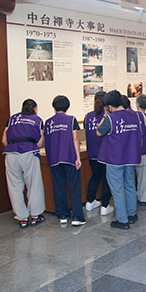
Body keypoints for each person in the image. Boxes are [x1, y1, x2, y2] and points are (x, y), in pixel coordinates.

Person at [97, 90, 142, 230]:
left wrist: (105, 115)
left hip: (114, 159)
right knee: (130, 186)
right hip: (131, 157)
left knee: (117, 190)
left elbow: (98, 132)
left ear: (109, 106)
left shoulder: (110, 119)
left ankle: (122, 220)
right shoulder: (135, 115)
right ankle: (132, 214)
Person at [2, 99, 45, 228]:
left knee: (15, 186)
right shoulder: (37, 120)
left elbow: (4, 140)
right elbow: (40, 143)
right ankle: (35, 216)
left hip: (10, 153)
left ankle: (22, 218)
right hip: (28, 152)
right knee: (33, 184)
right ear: (35, 108)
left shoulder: (12, 119)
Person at [44, 95, 85, 226]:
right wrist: (78, 157)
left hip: (54, 159)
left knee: (59, 187)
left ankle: (62, 215)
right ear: (67, 107)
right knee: (74, 188)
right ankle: (77, 217)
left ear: (54, 107)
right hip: (69, 157)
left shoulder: (48, 122)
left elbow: (47, 141)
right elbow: (75, 138)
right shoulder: (71, 120)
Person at [84, 91, 114, 216]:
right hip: (105, 153)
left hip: (91, 153)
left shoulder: (88, 116)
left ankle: (90, 202)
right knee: (106, 179)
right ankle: (105, 205)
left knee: (95, 177)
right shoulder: (108, 116)